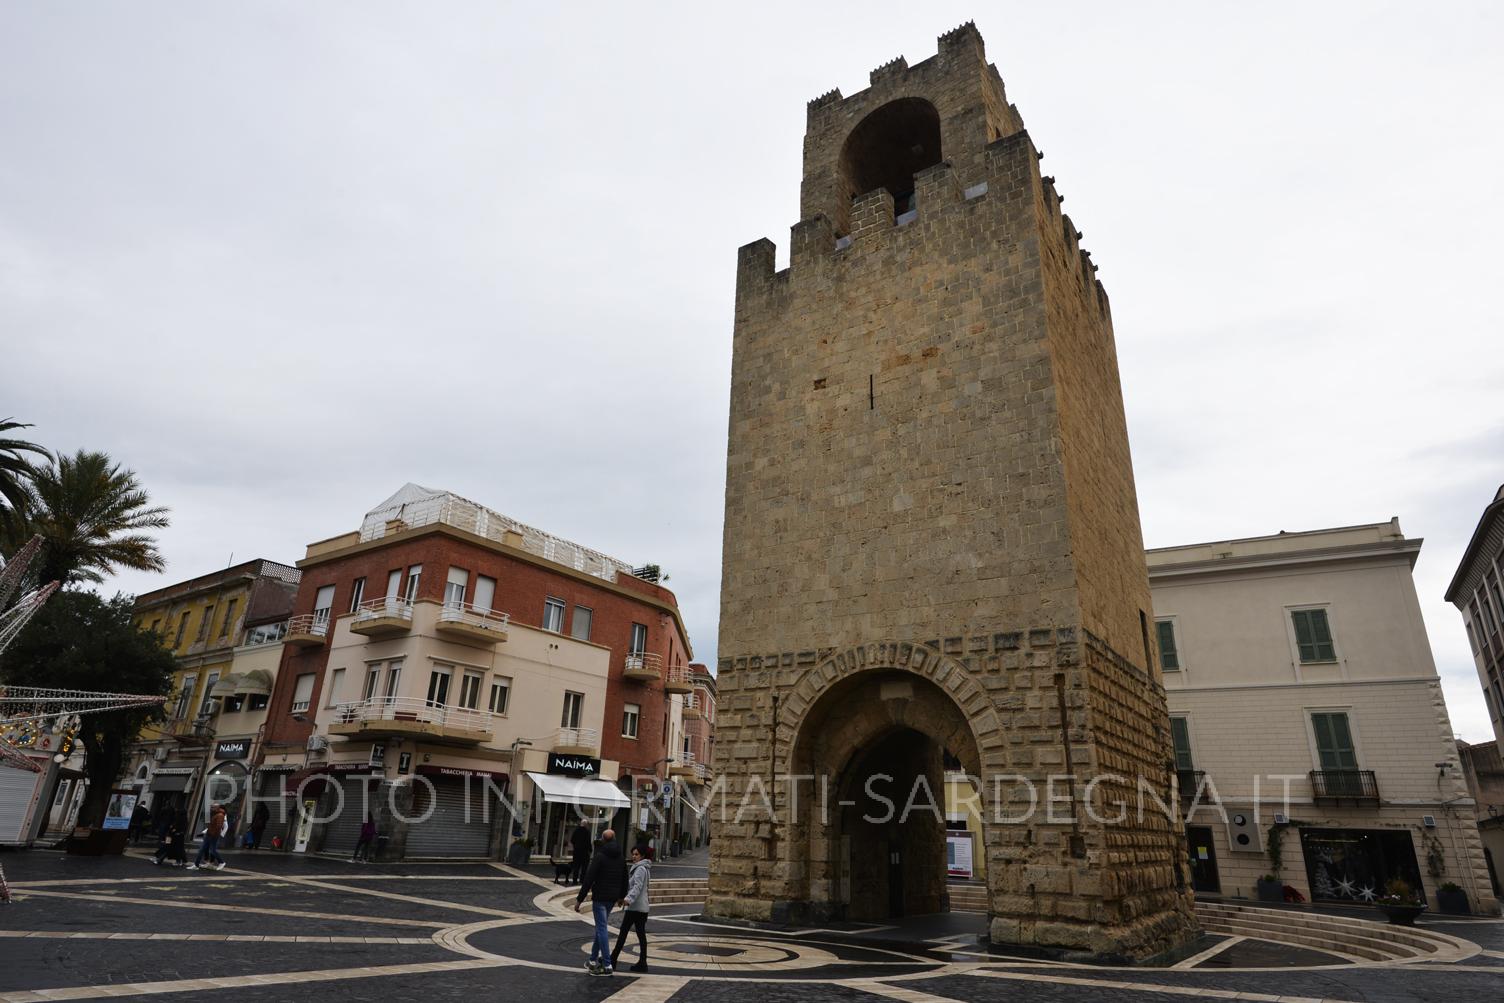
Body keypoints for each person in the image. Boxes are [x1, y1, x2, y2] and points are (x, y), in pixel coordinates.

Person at [574, 828, 627, 976]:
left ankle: (607, 965)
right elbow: (625, 878)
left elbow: (589, 878)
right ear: (615, 838)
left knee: (602, 928)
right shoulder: (621, 857)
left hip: (600, 898)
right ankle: (592, 960)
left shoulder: (600, 856)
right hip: (612, 897)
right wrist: (622, 896)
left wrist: (579, 899)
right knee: (600, 928)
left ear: (603, 840)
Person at [610, 844, 653, 973]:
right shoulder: (642, 868)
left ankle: (613, 960)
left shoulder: (640, 869)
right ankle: (642, 962)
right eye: (633, 854)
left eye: (636, 854)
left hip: (635, 908)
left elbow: (637, 887)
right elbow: (632, 884)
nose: (634, 856)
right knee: (640, 935)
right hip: (641, 907)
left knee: (623, 933)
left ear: (642, 856)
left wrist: (628, 900)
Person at [189, 803, 228, 871]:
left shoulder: (220, 815)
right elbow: (212, 825)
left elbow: (219, 826)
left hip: (213, 835)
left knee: (212, 850)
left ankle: (221, 862)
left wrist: (215, 834)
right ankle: (196, 864)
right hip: (209, 834)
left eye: (213, 807)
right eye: (211, 807)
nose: (211, 808)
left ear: (217, 808)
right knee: (202, 850)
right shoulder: (216, 814)